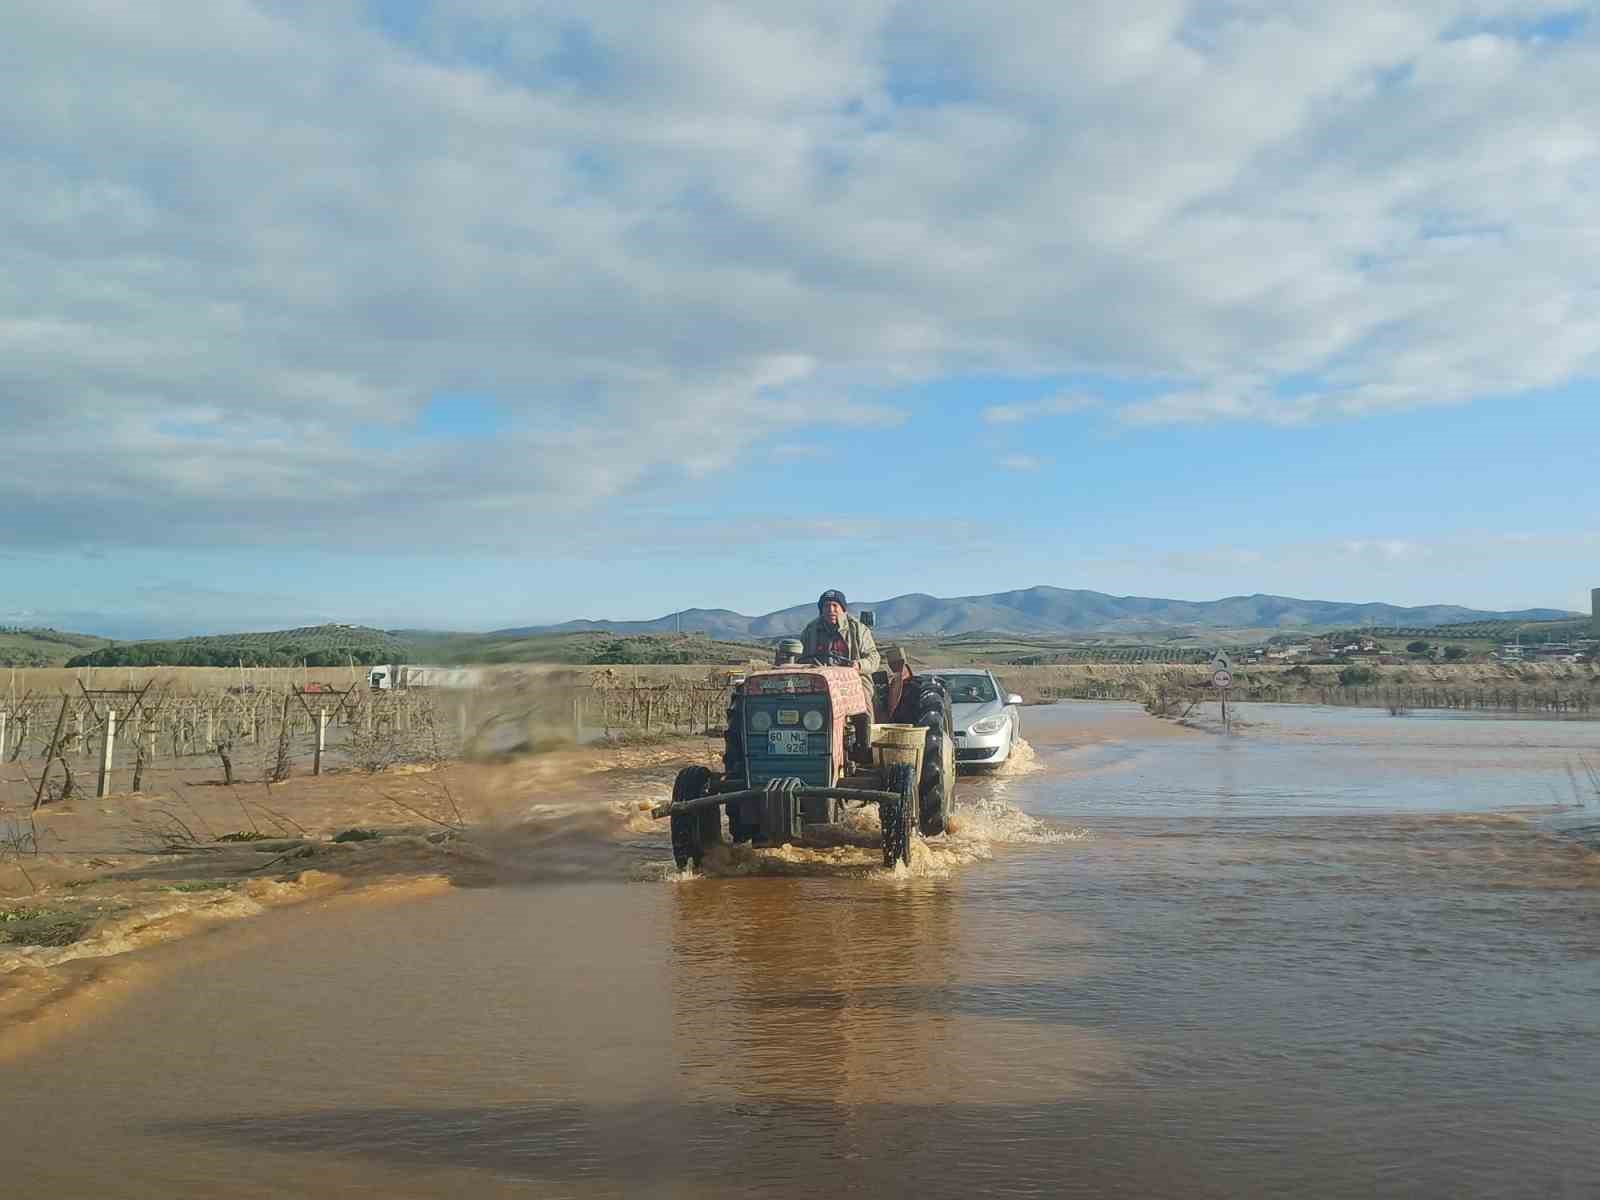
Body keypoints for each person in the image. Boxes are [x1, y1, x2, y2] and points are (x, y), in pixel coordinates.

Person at [800, 589, 881, 672]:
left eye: (835, 605)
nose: (831, 610)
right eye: (827, 606)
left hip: (853, 677)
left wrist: (859, 665)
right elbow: (800, 656)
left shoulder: (858, 629)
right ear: (821, 610)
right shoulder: (811, 630)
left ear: (842, 609)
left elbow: (874, 658)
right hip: (818, 677)